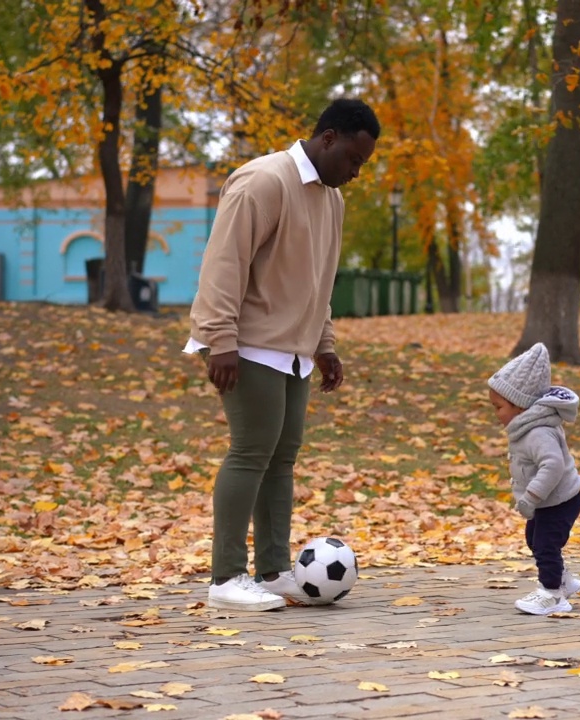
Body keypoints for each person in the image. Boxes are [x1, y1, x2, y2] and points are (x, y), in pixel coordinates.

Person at [184, 98, 380, 612]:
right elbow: (224, 263)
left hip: (294, 349)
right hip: (247, 343)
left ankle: (272, 571)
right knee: (250, 454)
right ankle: (226, 577)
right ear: (329, 138)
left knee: (282, 460)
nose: (355, 173)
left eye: (363, 165)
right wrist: (219, 339)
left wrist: (325, 342)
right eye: (353, 161)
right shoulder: (263, 181)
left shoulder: (332, 200)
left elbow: (318, 280)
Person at [487, 342, 580, 616]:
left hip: (560, 500)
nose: (496, 413)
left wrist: (531, 496)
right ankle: (563, 579)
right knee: (535, 538)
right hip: (550, 500)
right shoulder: (526, 427)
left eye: (498, 407)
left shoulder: (538, 432)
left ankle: (553, 595)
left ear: (519, 405)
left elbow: (552, 466)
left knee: (545, 544)